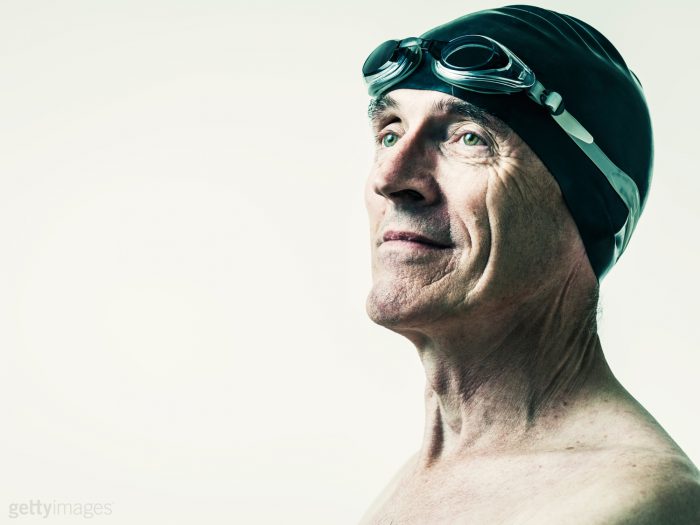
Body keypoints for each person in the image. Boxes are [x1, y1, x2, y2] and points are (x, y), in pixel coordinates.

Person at [358, 5, 700, 524]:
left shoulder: (627, 504)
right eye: (390, 131)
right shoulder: (431, 474)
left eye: (468, 137)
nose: (391, 176)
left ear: (584, 208)